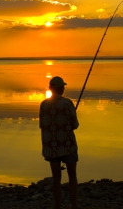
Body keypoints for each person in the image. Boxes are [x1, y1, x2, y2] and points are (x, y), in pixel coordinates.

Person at [39, 76, 79, 209]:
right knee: (72, 176)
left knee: (56, 178)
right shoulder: (67, 103)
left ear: (50, 89)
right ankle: (74, 205)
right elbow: (75, 124)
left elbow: (42, 125)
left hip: (51, 148)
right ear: (61, 89)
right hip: (68, 145)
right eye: (63, 87)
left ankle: (58, 206)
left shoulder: (43, 105)